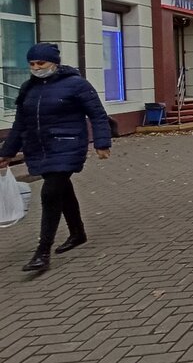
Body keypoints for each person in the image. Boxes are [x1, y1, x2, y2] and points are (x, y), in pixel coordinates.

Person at [0, 43, 111, 272]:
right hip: (40, 148)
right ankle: (77, 233)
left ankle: (42, 252)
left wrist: (102, 143)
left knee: (50, 193)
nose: (36, 68)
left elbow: (98, 114)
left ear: (54, 63)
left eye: (41, 63)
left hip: (68, 144)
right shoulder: (28, 88)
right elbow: (20, 123)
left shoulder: (76, 84)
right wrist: (7, 153)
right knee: (62, 189)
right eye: (32, 64)